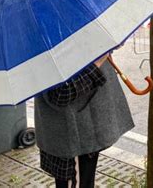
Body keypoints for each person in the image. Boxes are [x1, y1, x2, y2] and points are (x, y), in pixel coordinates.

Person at [34, 53, 134, 187]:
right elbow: (61, 93)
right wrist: (98, 61)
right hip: (72, 136)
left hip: (82, 130)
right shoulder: (49, 46)